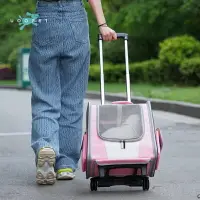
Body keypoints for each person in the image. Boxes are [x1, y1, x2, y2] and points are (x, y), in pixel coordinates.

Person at [28, 0, 117, 185]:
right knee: (72, 98)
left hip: (45, 17)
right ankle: (66, 164)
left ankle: (46, 145)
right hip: (75, 18)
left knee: (45, 96)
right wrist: (103, 25)